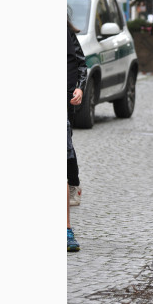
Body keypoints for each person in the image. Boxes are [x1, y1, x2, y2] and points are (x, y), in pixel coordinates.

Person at [67, 17, 87, 206]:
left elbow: (81, 64)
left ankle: (74, 185)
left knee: (65, 143)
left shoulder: (67, 33)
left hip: (66, 95)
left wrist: (80, 87)